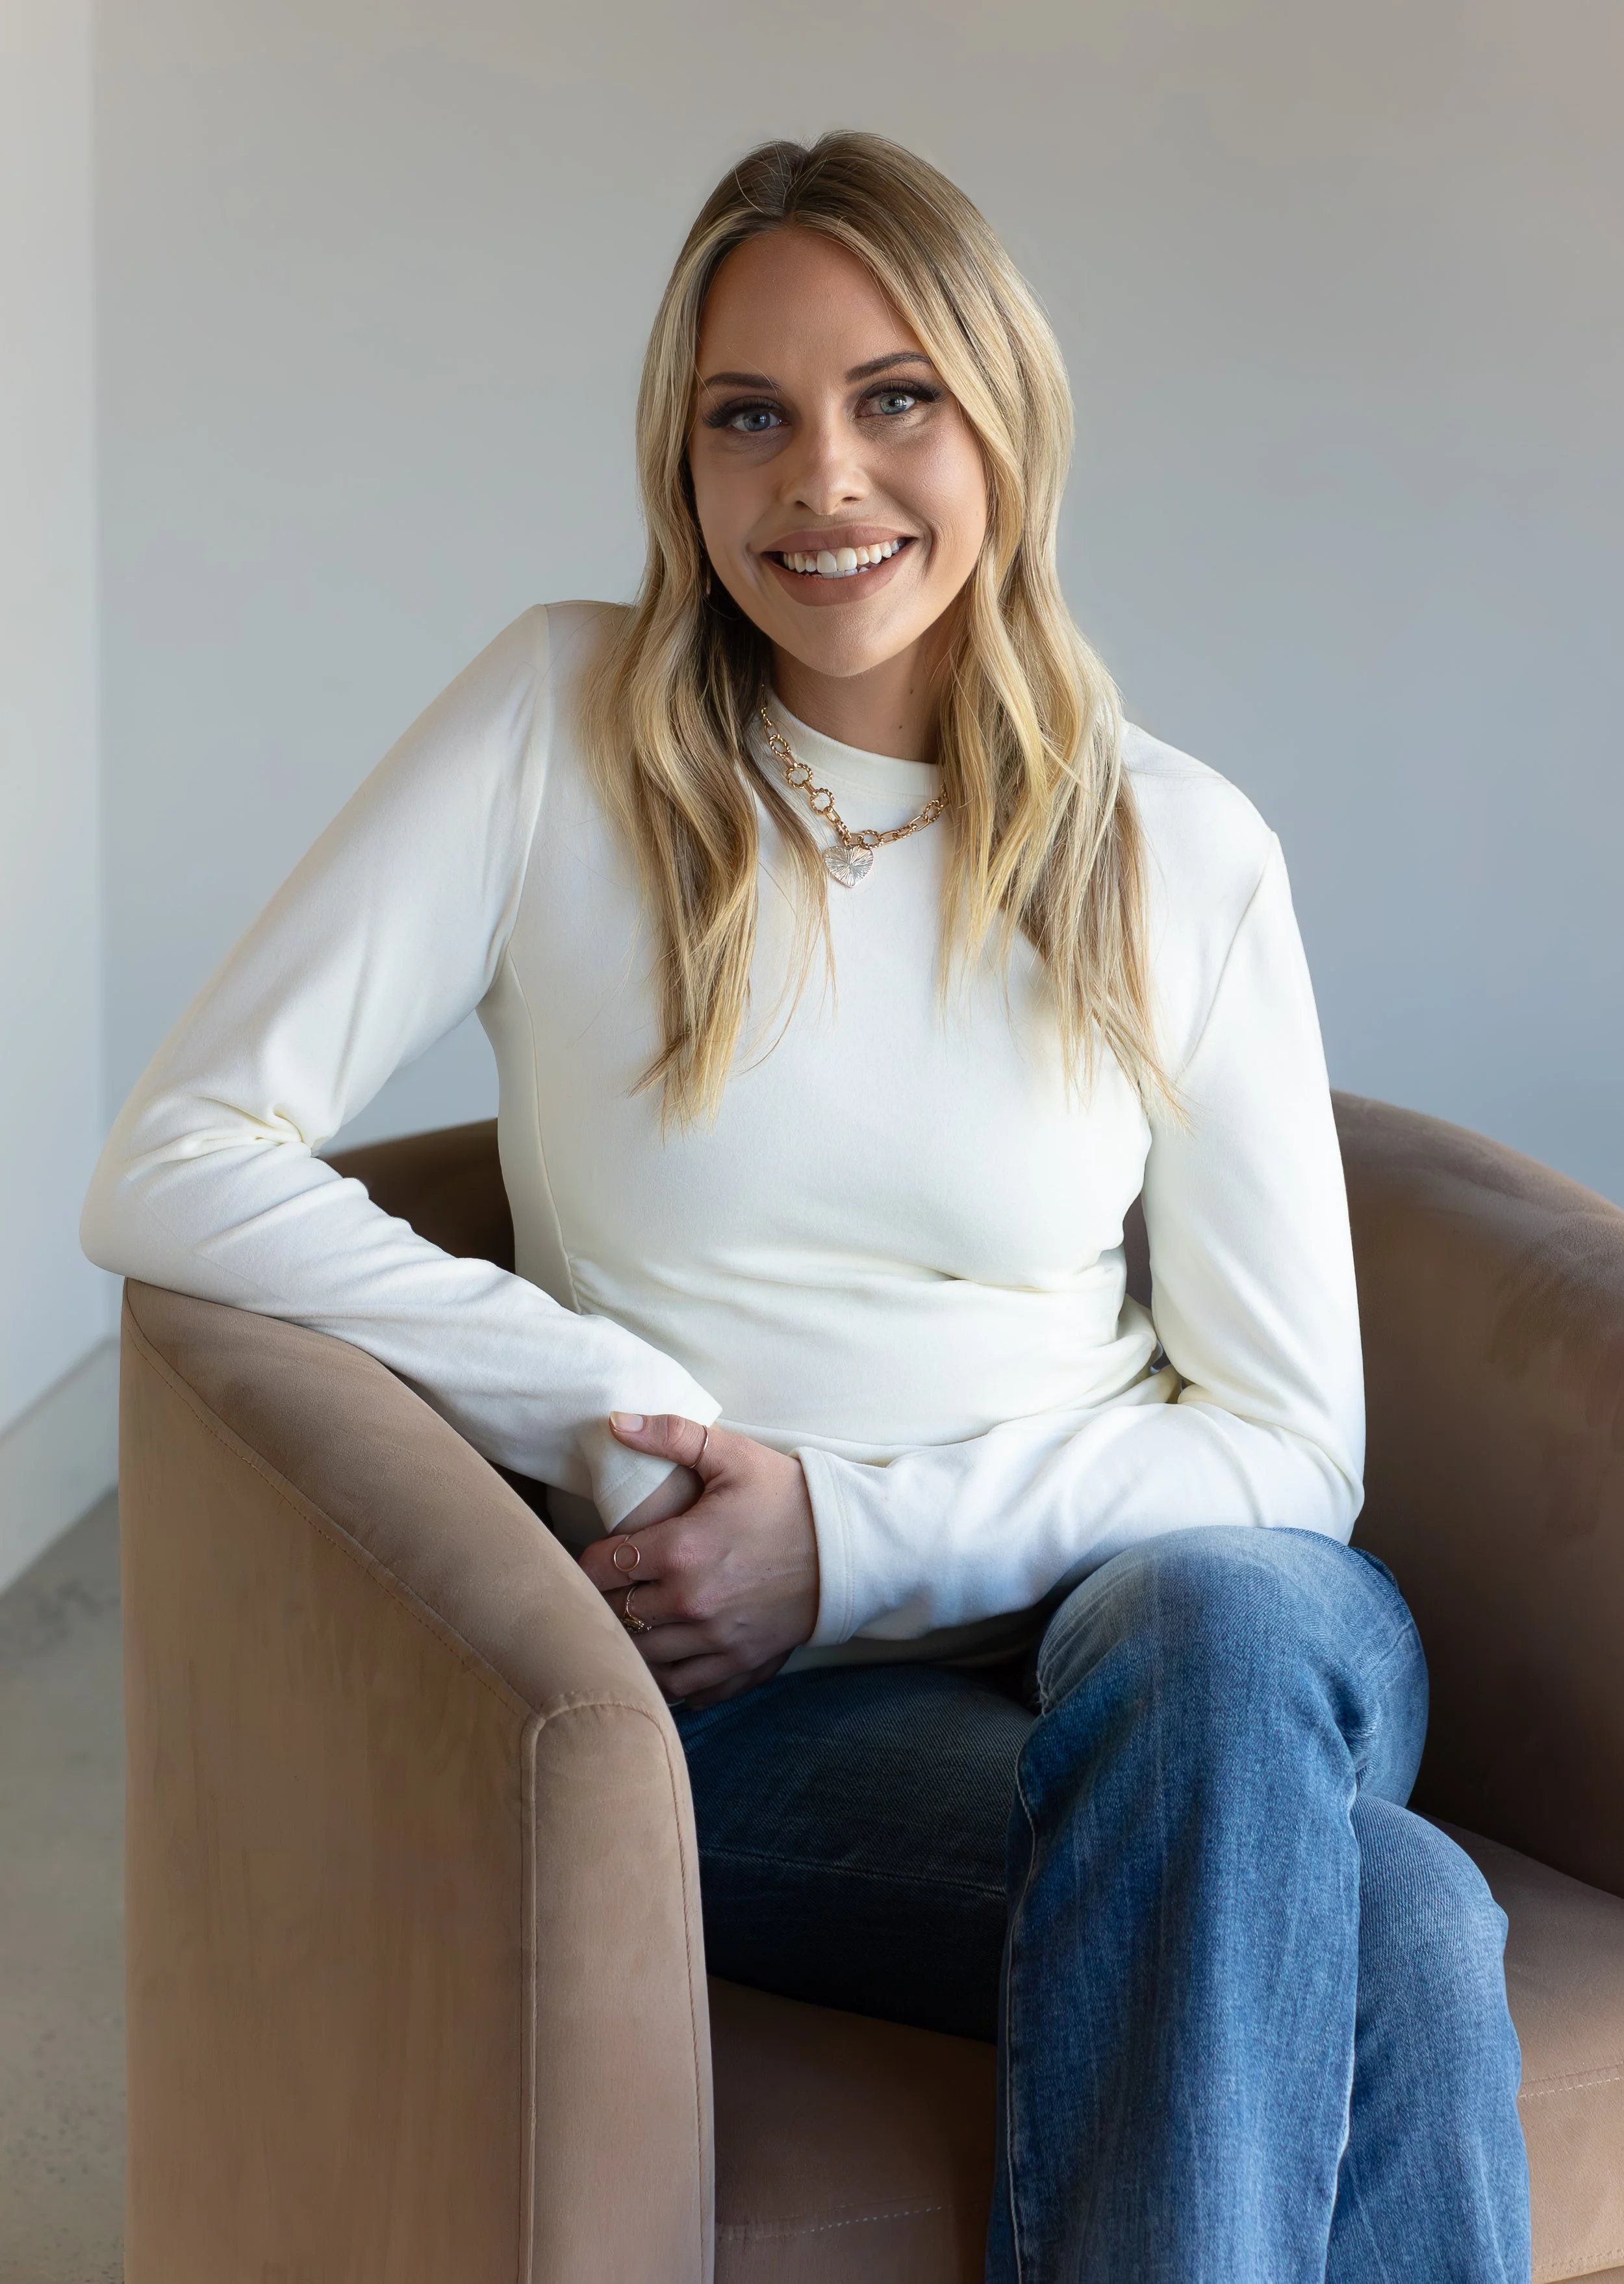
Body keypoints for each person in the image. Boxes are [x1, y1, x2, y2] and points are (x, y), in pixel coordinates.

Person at [82, 131, 1530, 2282]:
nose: (821, 481)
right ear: (677, 467)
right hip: (770, 1723)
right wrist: (602, 1396)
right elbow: (179, 1155)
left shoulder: (1177, 847)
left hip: (1174, 1632)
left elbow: (1286, 1449)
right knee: (1395, 1921)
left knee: (1223, 1623)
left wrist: (843, 1536)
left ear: (1004, 420)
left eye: (894, 398)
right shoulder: (557, 726)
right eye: (744, 417)